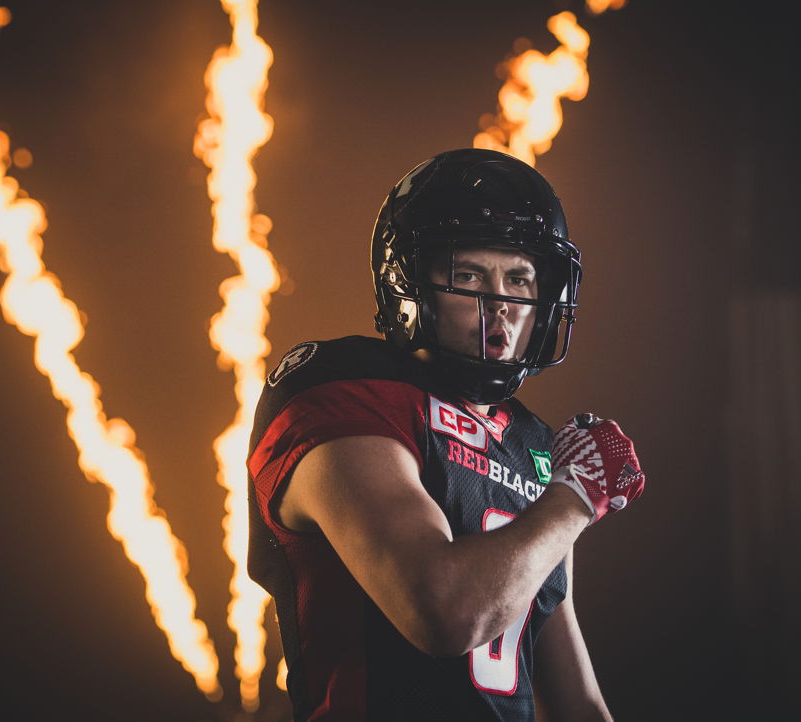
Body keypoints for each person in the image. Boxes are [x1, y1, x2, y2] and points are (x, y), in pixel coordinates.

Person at [247, 148, 645, 721]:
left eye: (520, 278)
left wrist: (566, 496)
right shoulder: (345, 388)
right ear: (409, 283)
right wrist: (576, 496)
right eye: (469, 275)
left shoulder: (533, 442)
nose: (502, 305)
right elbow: (443, 612)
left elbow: (577, 701)